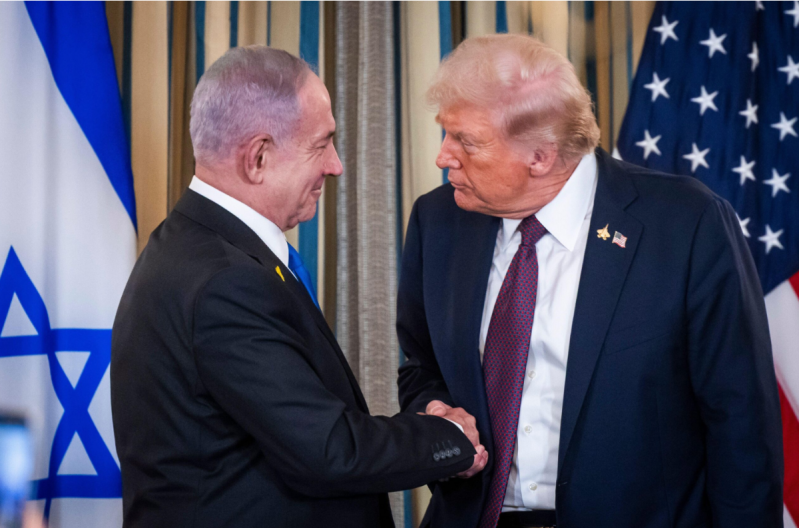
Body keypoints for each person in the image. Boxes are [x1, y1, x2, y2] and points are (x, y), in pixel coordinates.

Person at [396, 34, 783, 528]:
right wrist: (435, 411)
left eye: (466, 141)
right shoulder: (437, 220)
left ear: (540, 156)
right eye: (445, 134)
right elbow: (420, 365)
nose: (444, 156)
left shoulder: (686, 224)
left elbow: (740, 421)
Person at [110, 45, 488, 528]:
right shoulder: (225, 281)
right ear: (258, 158)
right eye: (321, 144)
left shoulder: (197, 247)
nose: (335, 165)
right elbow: (329, 450)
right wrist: (450, 437)